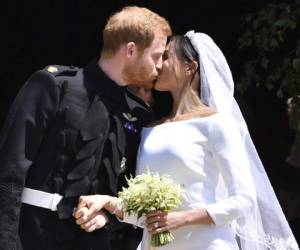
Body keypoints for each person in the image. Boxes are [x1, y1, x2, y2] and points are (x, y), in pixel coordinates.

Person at [74, 31, 299, 250]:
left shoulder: (215, 123)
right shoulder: (151, 130)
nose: (158, 64)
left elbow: (244, 199)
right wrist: (108, 202)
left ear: (190, 67)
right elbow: (147, 217)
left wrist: (182, 219)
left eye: (166, 57)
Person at [0, 6, 171, 250]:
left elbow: (131, 189)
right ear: (131, 50)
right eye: (156, 56)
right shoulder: (54, 86)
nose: (160, 66)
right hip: (33, 237)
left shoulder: (139, 115)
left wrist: (109, 217)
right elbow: (10, 171)